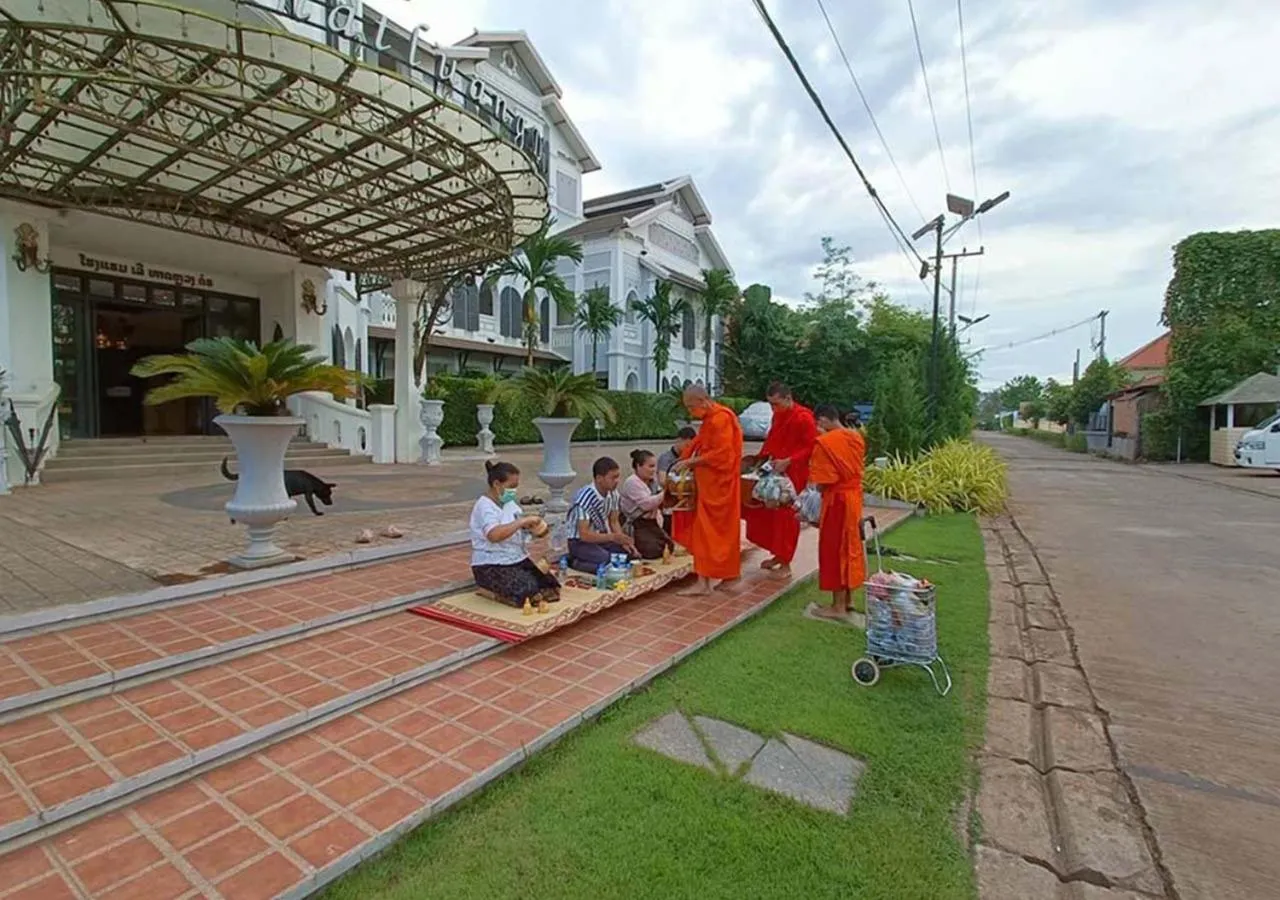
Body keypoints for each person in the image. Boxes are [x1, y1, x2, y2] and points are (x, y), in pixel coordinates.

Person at [671, 385, 743, 595]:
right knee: (720, 533)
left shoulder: (720, 419)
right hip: (713, 486)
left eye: (692, 407)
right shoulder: (711, 419)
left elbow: (723, 454)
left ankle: (704, 583)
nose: (690, 412)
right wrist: (685, 456)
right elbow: (701, 443)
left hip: (719, 487)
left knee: (707, 533)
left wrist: (692, 461)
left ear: (703, 400)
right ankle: (730, 576)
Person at [743, 381, 816, 578]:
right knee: (765, 512)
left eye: (776, 403)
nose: (774, 408)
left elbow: (811, 447)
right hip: (773, 471)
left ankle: (786, 564)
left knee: (786, 517)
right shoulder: (778, 415)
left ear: (788, 398)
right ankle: (777, 554)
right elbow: (772, 440)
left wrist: (790, 460)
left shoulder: (804, 418)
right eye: (771, 404)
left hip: (793, 475)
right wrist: (759, 461)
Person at [469, 461, 560, 607]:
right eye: (511, 487)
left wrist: (534, 528)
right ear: (497, 484)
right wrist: (521, 523)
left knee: (550, 586)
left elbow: (520, 531)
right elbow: (494, 535)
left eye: (515, 487)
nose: (514, 491)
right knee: (527, 591)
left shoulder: (510, 505)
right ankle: (488, 591)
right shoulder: (484, 506)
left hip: (516, 558)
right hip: (491, 563)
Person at [808, 404, 867, 620]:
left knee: (835, 550)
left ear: (823, 420)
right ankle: (849, 600)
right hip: (854, 499)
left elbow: (825, 479)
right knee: (851, 547)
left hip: (838, 502)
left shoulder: (826, 443)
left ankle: (837, 607)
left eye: (818, 423)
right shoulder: (856, 437)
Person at [566, 456, 637, 573]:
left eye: (617, 477)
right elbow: (584, 535)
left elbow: (614, 521)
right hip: (579, 542)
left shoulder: (614, 494)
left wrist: (623, 541)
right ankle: (575, 562)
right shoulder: (585, 499)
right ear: (599, 478)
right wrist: (612, 537)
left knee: (627, 556)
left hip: (600, 538)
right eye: (613, 478)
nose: (617, 481)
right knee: (607, 561)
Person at [619, 450, 674, 559]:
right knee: (652, 551)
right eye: (651, 466)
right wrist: (667, 491)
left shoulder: (652, 482)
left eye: (654, 467)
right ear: (639, 466)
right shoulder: (632, 482)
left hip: (652, 523)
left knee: (669, 546)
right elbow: (646, 504)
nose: (654, 470)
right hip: (637, 524)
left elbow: (661, 502)